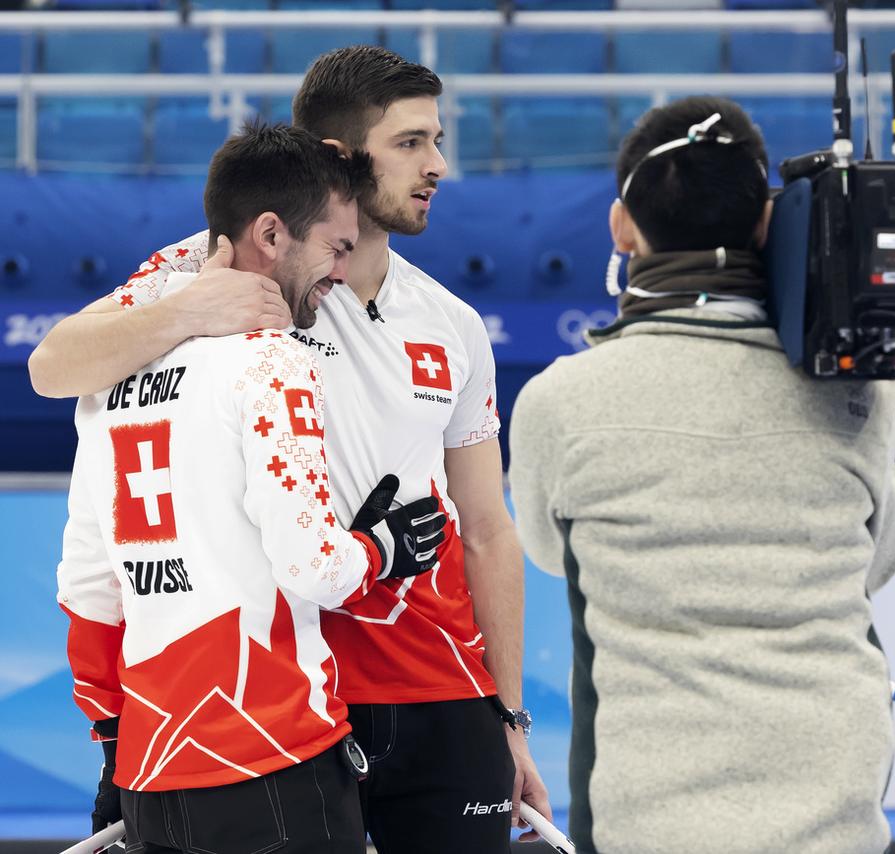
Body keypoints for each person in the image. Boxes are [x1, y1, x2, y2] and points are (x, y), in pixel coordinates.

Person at [30, 47, 548, 852]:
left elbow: (486, 528)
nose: (437, 164)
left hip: (440, 685)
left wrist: (510, 716)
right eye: (411, 142)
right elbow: (52, 364)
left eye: (438, 140)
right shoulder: (221, 268)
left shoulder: (453, 321)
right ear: (339, 158)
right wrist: (189, 309)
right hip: (294, 693)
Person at [507, 96, 895, 854]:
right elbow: (879, 556)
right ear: (765, 222)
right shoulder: (859, 388)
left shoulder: (558, 400)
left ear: (622, 227)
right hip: (835, 802)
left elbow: (548, 551)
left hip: (646, 812)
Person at [57, 123, 452, 852]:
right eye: (335, 248)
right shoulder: (273, 360)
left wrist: (116, 742)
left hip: (150, 774)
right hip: (271, 758)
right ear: (270, 234)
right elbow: (314, 569)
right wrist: (380, 549)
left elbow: (88, 584)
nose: (339, 274)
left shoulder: (111, 366)